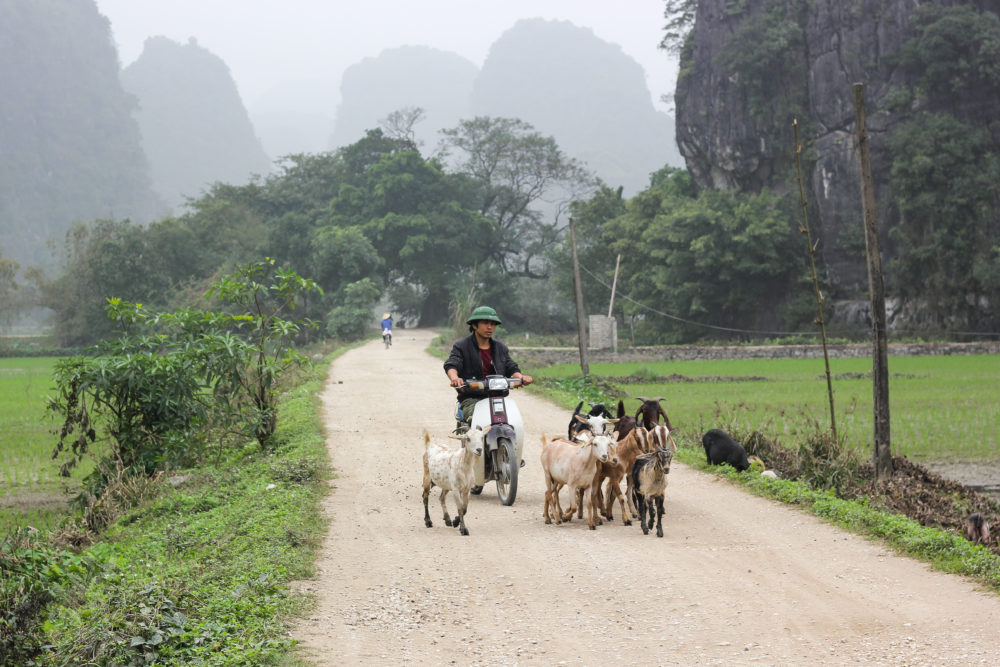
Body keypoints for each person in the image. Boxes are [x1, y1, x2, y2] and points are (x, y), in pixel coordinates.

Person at [444, 305, 532, 428]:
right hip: (471, 398)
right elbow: (452, 364)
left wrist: (521, 377)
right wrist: (455, 378)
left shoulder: (500, 348)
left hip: (498, 397)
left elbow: (511, 367)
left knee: (513, 422)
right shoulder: (462, 346)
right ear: (474, 325)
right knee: (478, 423)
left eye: (493, 324)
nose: (490, 327)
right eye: (485, 323)